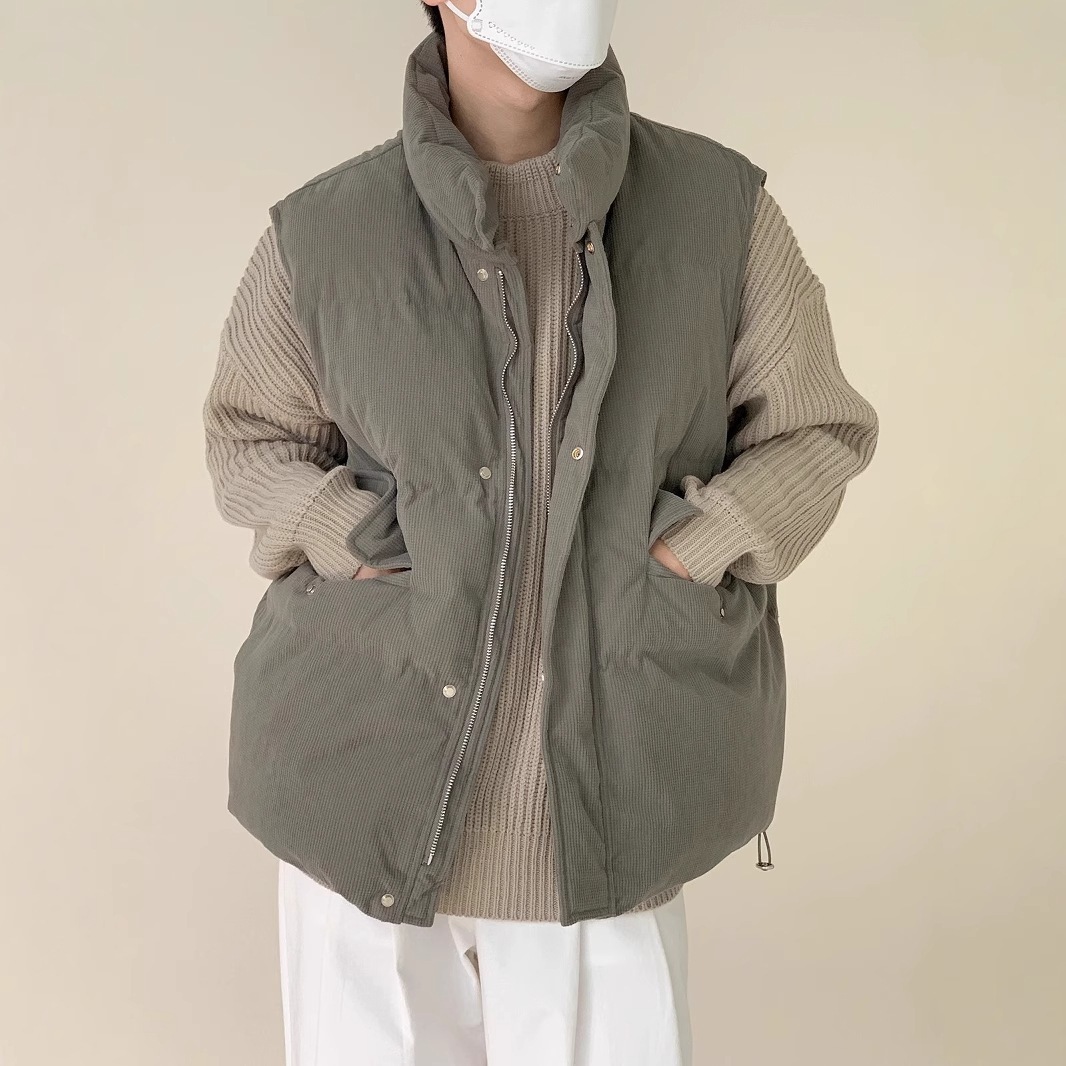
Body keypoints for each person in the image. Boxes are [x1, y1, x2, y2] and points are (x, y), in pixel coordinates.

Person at [202, 1, 879, 1062]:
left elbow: (813, 429)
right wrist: (354, 537)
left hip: (616, 792)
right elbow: (249, 439)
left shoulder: (719, 210)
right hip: (358, 786)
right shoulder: (325, 231)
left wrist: (690, 551)